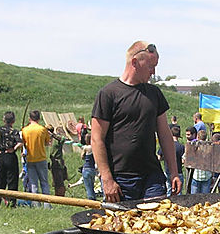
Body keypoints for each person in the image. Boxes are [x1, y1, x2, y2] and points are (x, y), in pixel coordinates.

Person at [90, 41, 180, 203]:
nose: (154, 72)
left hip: (152, 176)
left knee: (157, 224)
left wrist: (174, 172)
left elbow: (165, 134)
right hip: (121, 178)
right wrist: (107, 179)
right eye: (151, 66)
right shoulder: (109, 94)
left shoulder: (154, 93)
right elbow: (97, 139)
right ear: (135, 62)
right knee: (123, 226)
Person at [21, 110, 51, 206]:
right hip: (41, 158)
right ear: (39, 118)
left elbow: (23, 143)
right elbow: (47, 142)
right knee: (44, 182)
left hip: (30, 159)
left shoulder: (25, 130)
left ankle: (36, 204)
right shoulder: (42, 129)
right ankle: (47, 205)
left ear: (30, 119)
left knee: (33, 184)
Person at [158, 125, 185, 192]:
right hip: (178, 172)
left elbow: (159, 157)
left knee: (168, 191)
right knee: (178, 193)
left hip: (167, 171)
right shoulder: (181, 147)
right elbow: (183, 160)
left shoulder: (165, 145)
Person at [47, 124, 68, 196]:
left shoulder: (56, 139)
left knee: (59, 180)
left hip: (58, 162)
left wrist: (53, 135)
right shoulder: (48, 139)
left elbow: (63, 139)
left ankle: (61, 196)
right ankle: (57, 195)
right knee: (55, 181)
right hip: (52, 162)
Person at [190, 128, 212, 193]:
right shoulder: (210, 147)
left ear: (198, 137)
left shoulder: (194, 146)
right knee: (205, 199)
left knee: (194, 198)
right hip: (207, 175)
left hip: (196, 175)